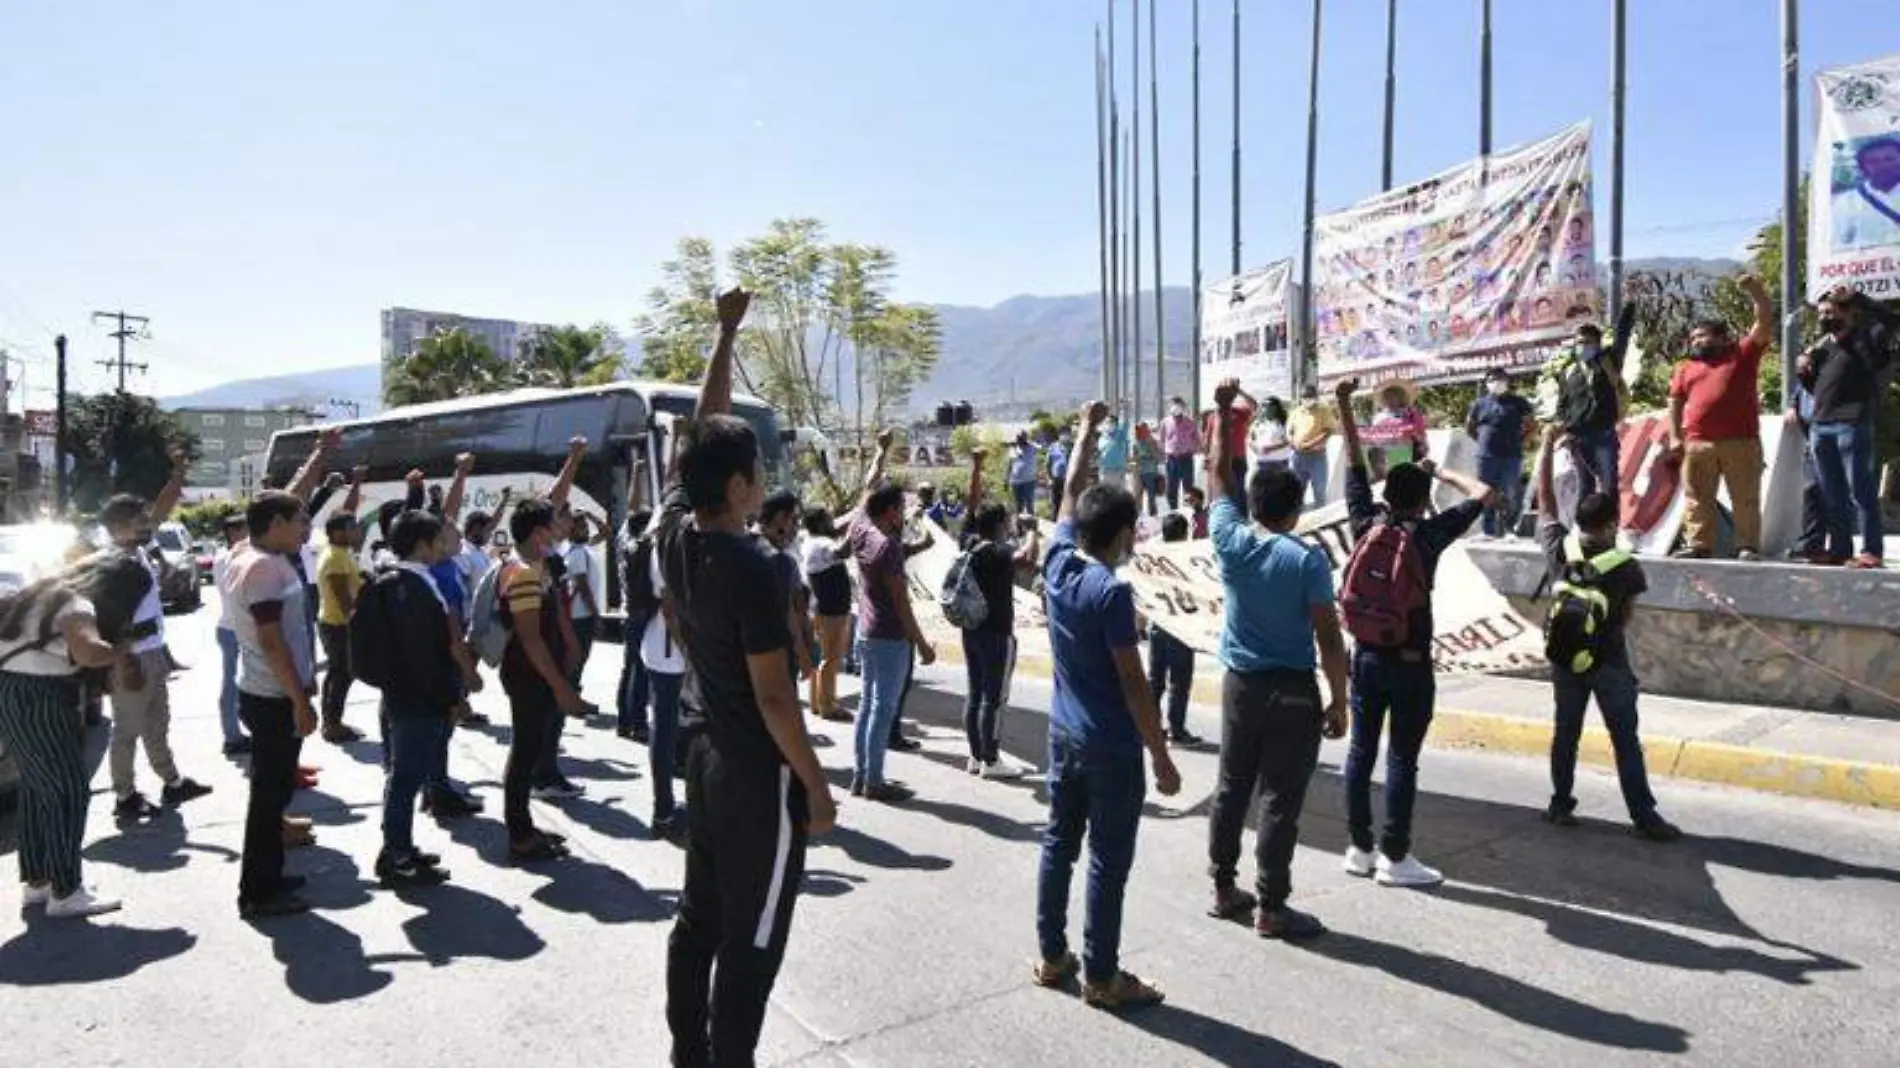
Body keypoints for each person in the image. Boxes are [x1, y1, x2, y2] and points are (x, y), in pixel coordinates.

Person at [659, 287, 838, 1067]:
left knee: (698, 922)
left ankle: (687, 1056)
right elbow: (774, 697)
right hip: (753, 776)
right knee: (752, 943)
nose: (763, 477)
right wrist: (818, 785)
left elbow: (698, 439)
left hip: (700, 756)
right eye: (756, 468)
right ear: (738, 488)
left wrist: (724, 336)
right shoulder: (759, 566)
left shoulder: (672, 533)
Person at [1032, 399, 1181, 1012]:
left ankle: (1050, 955)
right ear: (1123, 535)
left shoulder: (1057, 560)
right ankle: (1102, 975)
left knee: (1058, 844)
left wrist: (1088, 431)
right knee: (1107, 863)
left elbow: (1066, 496)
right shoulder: (1110, 591)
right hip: (1111, 749)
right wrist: (1162, 755)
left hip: (1064, 736)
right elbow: (1134, 683)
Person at [1200, 378, 1348, 939]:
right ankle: (1271, 906)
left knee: (1232, 785)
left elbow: (1217, 475)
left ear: (1255, 506)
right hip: (1292, 692)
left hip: (1241, 685)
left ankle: (1222, 886)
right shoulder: (1306, 560)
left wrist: (1220, 413)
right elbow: (1330, 640)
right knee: (1280, 799)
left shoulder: (1232, 542)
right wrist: (1339, 699)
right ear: (1296, 509)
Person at [1336, 378, 1491, 888]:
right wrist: (1441, 470)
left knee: (1361, 752)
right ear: (1424, 500)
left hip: (1364, 658)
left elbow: (1357, 467)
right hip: (1409, 662)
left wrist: (1342, 404)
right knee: (1402, 756)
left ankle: (1359, 847)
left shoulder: (1364, 524)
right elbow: (1486, 494)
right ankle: (1395, 856)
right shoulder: (1428, 534)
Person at [1531, 428, 1681, 841]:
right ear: (1612, 524)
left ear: (1577, 521)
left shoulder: (1558, 547)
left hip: (1565, 657)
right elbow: (1627, 615)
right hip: (1609, 660)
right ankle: (1644, 816)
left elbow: (1544, 502)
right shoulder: (1625, 565)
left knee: (1566, 733)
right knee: (1624, 739)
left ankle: (1560, 803)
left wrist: (1546, 447)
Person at [0, 552, 149, 919]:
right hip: (42, 696)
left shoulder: (42, 592)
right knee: (68, 791)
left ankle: (38, 881)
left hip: (12, 689)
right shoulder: (77, 603)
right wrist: (119, 650)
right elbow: (87, 650)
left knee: (37, 788)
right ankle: (67, 891)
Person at [98, 446, 213, 822]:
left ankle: (172, 781)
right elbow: (110, 616)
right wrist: (125, 656)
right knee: (127, 729)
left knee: (156, 722)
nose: (147, 523)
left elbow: (162, 510)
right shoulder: (112, 561)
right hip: (131, 656)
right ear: (116, 526)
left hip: (153, 650)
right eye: (138, 520)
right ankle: (125, 795)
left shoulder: (138, 550)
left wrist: (177, 475)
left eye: (145, 518)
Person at [228, 490, 321, 919]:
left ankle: (270, 875)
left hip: (268, 691)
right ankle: (259, 892)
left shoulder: (249, 554)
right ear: (276, 524)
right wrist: (299, 701)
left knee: (275, 791)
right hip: (273, 696)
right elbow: (271, 641)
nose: (306, 526)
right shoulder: (263, 568)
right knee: (267, 800)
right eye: (299, 519)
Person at [368, 509, 468, 888]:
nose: (445, 546)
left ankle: (401, 847)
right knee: (405, 779)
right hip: (417, 699)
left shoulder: (408, 580)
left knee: (405, 778)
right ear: (423, 545)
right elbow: (423, 653)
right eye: (440, 540)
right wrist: (449, 696)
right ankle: (396, 857)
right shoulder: (409, 586)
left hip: (411, 695)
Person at [842, 432, 936, 803]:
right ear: (892, 511)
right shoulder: (887, 547)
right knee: (883, 707)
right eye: (900, 506)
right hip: (889, 636)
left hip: (866, 631)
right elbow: (901, 603)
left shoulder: (862, 528)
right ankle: (874, 781)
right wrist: (923, 644)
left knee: (868, 704)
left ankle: (862, 775)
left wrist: (880, 451)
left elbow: (867, 489)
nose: (903, 511)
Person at [1664, 274, 1773, 560]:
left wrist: (1756, 292)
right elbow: (1675, 402)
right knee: (1696, 497)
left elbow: (1763, 323)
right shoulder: (1685, 368)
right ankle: (1699, 545)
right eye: (1694, 337)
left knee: (1745, 498)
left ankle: (1746, 546)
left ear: (1723, 338)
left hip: (1741, 441)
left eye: (1704, 335)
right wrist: (1675, 436)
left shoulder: (1743, 353)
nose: (1697, 341)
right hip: (1698, 444)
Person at [1801, 285, 1896, 569]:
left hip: (1852, 424)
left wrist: (1857, 297)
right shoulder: (1822, 347)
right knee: (1832, 494)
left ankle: (1871, 551)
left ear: (1849, 313)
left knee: (1861, 491)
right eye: (1821, 313)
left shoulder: (1867, 337)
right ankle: (1840, 549)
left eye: (1830, 311)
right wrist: (1803, 370)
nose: (1824, 317)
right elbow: (1818, 389)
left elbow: (1892, 320)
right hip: (1822, 425)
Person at [959, 449, 1036, 780]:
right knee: (995, 696)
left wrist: (976, 467)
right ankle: (991, 759)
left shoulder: (970, 541)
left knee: (975, 693)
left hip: (971, 629)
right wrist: (1033, 530)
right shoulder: (999, 552)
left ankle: (976, 756)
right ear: (1001, 525)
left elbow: (971, 506)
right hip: (997, 632)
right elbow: (1027, 560)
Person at [1541, 300, 1637, 502]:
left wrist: (1629, 304)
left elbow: (1622, 335)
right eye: (1579, 342)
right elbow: (1563, 406)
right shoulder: (1568, 372)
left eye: (1588, 342)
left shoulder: (1608, 362)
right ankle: (1586, 528)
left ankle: (1610, 526)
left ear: (1598, 344)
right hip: (1577, 438)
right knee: (1584, 488)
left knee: (1608, 484)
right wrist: (1564, 430)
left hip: (1603, 435)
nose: (1583, 346)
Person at [1146, 512, 1200, 746]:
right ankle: (1176, 730)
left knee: (1155, 679)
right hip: (1180, 627)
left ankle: (1150, 728)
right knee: (1179, 680)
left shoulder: (1152, 557)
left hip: (1157, 624)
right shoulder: (1186, 559)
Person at [315, 507, 368, 744]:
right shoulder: (336, 556)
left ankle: (331, 721)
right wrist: (355, 622)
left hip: (334, 623)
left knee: (338, 673)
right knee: (343, 674)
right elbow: (341, 595)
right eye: (351, 527)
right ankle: (332, 725)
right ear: (337, 532)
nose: (357, 531)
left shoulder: (340, 552)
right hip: (338, 625)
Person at [1465, 368, 1536, 538]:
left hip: (1511, 456)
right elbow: (1469, 427)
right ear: (1487, 383)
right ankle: (1487, 530)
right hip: (1486, 457)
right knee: (1484, 493)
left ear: (1507, 381)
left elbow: (1532, 426)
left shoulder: (1519, 402)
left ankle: (1511, 528)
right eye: (1491, 379)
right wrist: (1483, 442)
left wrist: (1521, 442)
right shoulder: (1479, 404)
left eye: (1500, 378)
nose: (1496, 382)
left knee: (1511, 492)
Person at [802, 508, 853, 724]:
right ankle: (827, 705)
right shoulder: (822, 543)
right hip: (832, 610)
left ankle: (817, 701)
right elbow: (843, 551)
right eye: (828, 520)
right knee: (831, 658)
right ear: (821, 524)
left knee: (823, 657)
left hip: (825, 608)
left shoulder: (811, 540)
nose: (832, 522)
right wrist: (856, 528)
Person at [212, 514, 251, 756]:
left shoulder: (222, 557)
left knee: (233, 681)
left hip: (229, 627)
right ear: (234, 533)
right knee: (234, 683)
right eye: (246, 531)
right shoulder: (231, 559)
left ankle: (233, 733)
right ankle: (233, 736)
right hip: (236, 628)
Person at [618, 507, 656, 741]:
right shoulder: (642, 548)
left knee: (630, 668)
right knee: (640, 671)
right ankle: (638, 722)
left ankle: (625, 720)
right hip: (642, 613)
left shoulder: (628, 546)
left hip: (633, 613)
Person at [1784, 383, 1832, 564]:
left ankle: (1840, 547)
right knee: (1811, 490)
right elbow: (1801, 385)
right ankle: (1811, 545)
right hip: (1812, 436)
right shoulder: (1812, 365)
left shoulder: (1840, 361)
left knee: (1835, 493)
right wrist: (1792, 405)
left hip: (1835, 429)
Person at [1830, 136, 1900, 250]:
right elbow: (1836, 245)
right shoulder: (1847, 202)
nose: (1883, 165)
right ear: (1864, 168)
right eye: (1873, 161)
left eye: (1889, 159)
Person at [561, 512, 602, 690]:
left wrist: (590, 516)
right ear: (571, 530)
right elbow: (583, 587)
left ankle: (572, 688)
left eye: (586, 526)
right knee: (578, 655)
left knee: (580, 656)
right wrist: (596, 615)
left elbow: (606, 532)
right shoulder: (577, 552)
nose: (585, 529)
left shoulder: (584, 547)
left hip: (581, 613)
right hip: (580, 614)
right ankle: (571, 691)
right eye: (580, 526)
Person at [1361, 381, 1429, 473]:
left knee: (1403, 472)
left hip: (1407, 450)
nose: (1389, 400)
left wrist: (1421, 443)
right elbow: (1375, 435)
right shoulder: (1379, 417)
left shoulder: (1410, 413)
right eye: (1387, 397)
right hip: (1385, 452)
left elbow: (1420, 433)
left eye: (1392, 397)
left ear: (1400, 397)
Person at [1287, 385, 1336, 507]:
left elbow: (1328, 431)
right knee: (1296, 491)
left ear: (1316, 397)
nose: (1307, 399)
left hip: (1316, 456)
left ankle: (1321, 519)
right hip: (1298, 456)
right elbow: (1289, 431)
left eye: (1310, 397)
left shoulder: (1323, 410)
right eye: (1304, 397)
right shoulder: (1296, 412)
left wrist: (1310, 444)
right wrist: (1292, 442)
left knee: (1319, 491)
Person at [1161, 395, 1202, 509]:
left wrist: (1192, 449)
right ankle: (1173, 512)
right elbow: (1162, 440)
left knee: (1188, 488)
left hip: (1186, 458)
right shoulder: (1165, 422)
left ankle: (1189, 512)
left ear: (1183, 407)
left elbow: (1197, 440)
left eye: (1178, 405)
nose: (1175, 408)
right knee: (1171, 488)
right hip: (1172, 459)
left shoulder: (1190, 422)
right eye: (1173, 405)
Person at [1249, 397, 1294, 474]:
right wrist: (1255, 448)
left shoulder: (1284, 423)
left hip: (1279, 462)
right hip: (1261, 463)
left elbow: (1289, 440)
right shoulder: (1257, 423)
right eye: (1263, 406)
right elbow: (1251, 440)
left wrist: (1271, 448)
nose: (1265, 408)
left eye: (1268, 406)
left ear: (1276, 408)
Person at [1007, 433, 1041, 518]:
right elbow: (1009, 466)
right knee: (1018, 505)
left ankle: (1032, 525)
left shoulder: (1032, 447)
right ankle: (1019, 527)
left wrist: (1029, 442)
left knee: (1029, 504)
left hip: (1029, 481)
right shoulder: (1013, 450)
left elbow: (1041, 446)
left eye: (1022, 438)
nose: (1019, 440)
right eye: (1018, 438)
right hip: (1015, 482)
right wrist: (1006, 479)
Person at [1133, 422, 1163, 517]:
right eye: (1138, 429)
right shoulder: (1136, 442)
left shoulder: (1152, 442)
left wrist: (1150, 450)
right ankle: (1138, 515)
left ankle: (1153, 514)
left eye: (1141, 429)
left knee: (1151, 495)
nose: (1139, 432)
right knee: (1138, 495)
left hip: (1150, 472)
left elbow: (1158, 457)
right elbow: (1134, 456)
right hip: (1139, 472)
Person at [1098, 413, 1131, 490]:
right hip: (1105, 471)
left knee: (1119, 495)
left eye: (1111, 422)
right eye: (1106, 422)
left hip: (1118, 471)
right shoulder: (1101, 437)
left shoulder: (1120, 435)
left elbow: (1125, 424)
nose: (1108, 424)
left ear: (1116, 424)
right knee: (1106, 495)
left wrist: (1124, 409)